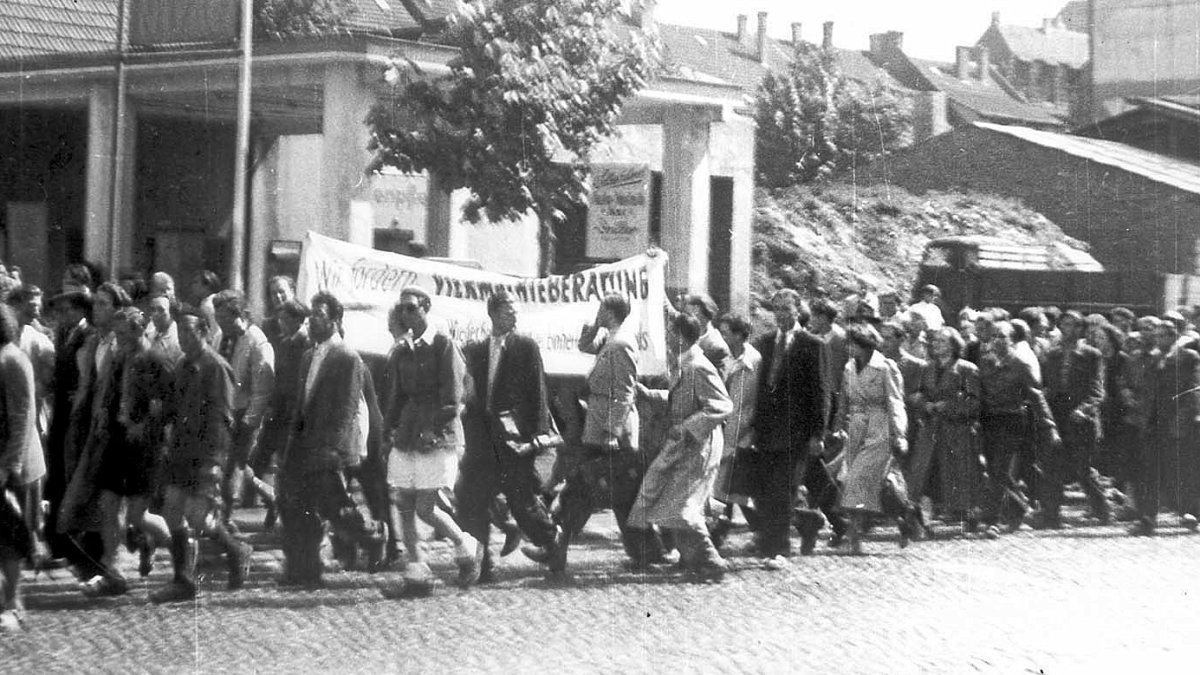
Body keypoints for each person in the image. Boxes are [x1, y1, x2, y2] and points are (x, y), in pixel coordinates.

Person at [276, 292, 387, 588]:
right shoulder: (308, 355)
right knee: (294, 504)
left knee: (334, 507)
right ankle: (303, 568)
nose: (312, 320)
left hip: (326, 446)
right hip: (301, 444)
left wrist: (334, 449)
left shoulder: (347, 357)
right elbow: (301, 402)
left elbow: (347, 407)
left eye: (319, 315)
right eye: (311, 315)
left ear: (336, 320)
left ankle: (374, 533)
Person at [379, 287, 480, 591]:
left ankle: (466, 545)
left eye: (411, 308)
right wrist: (388, 430)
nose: (405, 314)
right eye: (402, 309)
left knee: (425, 507)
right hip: (408, 432)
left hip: (435, 434)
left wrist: (433, 427)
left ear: (425, 308)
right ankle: (417, 570)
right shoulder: (403, 349)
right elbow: (397, 396)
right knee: (404, 503)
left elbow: (453, 398)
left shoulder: (442, 344)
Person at [458, 290, 564, 581]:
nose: (513, 316)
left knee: (522, 501)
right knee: (472, 498)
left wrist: (537, 437)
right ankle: (482, 563)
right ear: (492, 313)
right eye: (507, 311)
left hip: (515, 441)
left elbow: (538, 392)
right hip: (483, 440)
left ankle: (553, 544)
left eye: (515, 312)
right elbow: (470, 396)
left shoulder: (525, 347)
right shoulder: (476, 351)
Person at [150, 308, 252, 603]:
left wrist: (217, 463)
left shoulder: (216, 367)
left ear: (205, 332)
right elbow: (173, 405)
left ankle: (236, 550)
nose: (184, 339)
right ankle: (182, 579)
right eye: (180, 333)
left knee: (199, 518)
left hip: (205, 455)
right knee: (171, 512)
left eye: (190, 333)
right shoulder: (183, 365)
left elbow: (223, 419)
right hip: (181, 452)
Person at [553, 292, 662, 568]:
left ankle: (556, 546)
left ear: (610, 311)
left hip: (612, 432)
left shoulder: (621, 344)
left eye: (601, 309)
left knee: (591, 485)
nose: (598, 312)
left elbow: (625, 393)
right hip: (600, 426)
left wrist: (613, 432)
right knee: (616, 492)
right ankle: (647, 551)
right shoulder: (611, 339)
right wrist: (594, 324)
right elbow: (585, 346)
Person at [628, 313, 733, 580]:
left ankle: (711, 561)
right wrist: (650, 394)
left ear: (679, 336)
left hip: (699, 444)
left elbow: (722, 406)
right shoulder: (684, 363)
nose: (665, 337)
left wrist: (688, 428)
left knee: (683, 504)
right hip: (685, 444)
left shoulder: (698, 365)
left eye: (669, 332)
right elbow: (681, 398)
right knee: (670, 500)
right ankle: (691, 558)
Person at [58, 282, 134, 597]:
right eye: (97, 303)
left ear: (117, 309)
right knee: (91, 501)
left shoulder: (120, 344)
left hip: (112, 431)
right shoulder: (94, 341)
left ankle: (111, 568)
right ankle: (101, 565)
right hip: (89, 426)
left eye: (105, 304)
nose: (97, 309)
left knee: (107, 503)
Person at [750, 289, 835, 566]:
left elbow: (821, 392)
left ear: (798, 310)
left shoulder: (812, 344)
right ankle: (775, 539)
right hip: (766, 430)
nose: (781, 315)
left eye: (787, 309)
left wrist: (817, 434)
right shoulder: (763, 344)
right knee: (763, 490)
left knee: (783, 490)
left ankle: (779, 549)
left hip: (796, 431)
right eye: (776, 309)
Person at [832, 324, 919, 554]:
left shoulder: (885, 367)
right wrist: (838, 425)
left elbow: (895, 401)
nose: (849, 348)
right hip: (856, 429)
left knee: (858, 479)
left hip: (880, 429)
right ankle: (904, 516)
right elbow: (844, 401)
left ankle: (853, 535)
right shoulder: (849, 368)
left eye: (853, 344)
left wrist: (900, 434)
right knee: (870, 483)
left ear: (865, 345)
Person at [106, 307, 174, 578]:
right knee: (110, 505)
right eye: (116, 333)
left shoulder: (154, 358)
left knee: (137, 516)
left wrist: (144, 425)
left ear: (137, 330)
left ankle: (181, 547)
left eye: (123, 333)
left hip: (146, 446)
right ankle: (113, 569)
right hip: (119, 439)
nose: (118, 338)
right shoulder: (122, 356)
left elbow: (168, 400)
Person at [977, 321, 1058, 538]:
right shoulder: (985, 363)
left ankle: (992, 521)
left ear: (1012, 339)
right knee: (994, 470)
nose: (997, 340)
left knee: (1000, 470)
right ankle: (1019, 509)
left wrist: (1049, 425)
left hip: (1012, 420)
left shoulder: (1020, 364)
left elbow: (1036, 395)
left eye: (1002, 336)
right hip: (989, 421)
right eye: (994, 336)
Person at [1037, 310, 1110, 528]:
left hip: (1081, 421)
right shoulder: (1052, 354)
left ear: (1081, 329)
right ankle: (1051, 516)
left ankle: (1103, 511)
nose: (1068, 329)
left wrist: (1084, 409)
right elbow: (1045, 386)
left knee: (1082, 468)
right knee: (1052, 468)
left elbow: (1098, 391)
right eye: (1065, 324)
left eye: (1074, 325)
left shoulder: (1092, 355)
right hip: (1057, 418)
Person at [212, 290, 277, 526]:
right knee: (231, 465)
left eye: (226, 318)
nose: (222, 324)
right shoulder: (220, 337)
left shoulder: (257, 342)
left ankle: (225, 519)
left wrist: (251, 421)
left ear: (239, 314)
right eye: (218, 319)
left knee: (233, 467)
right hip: (223, 412)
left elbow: (262, 389)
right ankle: (271, 497)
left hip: (243, 415)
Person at [0, 304, 46, 631]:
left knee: (11, 537)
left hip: (14, 465)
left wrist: (9, 466)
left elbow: (23, 416)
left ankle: (14, 604)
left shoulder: (13, 359)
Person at [1130, 320, 1200, 535]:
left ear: (1175, 336)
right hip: (1152, 424)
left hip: (1177, 423)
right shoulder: (1151, 358)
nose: (1160, 339)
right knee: (1149, 472)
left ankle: (1191, 512)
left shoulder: (1188, 358)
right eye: (1157, 335)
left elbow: (1194, 389)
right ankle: (1147, 518)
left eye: (1165, 335)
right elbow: (1145, 389)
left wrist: (1184, 417)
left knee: (1181, 471)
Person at [910, 327, 981, 530]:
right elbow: (919, 394)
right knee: (926, 472)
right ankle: (924, 515)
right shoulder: (928, 368)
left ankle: (966, 513)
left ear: (953, 344)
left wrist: (950, 406)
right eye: (935, 341)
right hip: (932, 429)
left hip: (957, 429)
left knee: (959, 473)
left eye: (942, 341)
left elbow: (974, 401)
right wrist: (926, 405)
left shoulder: (967, 369)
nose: (936, 345)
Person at [708, 312, 761, 547]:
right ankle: (718, 536)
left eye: (727, 333)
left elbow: (758, 400)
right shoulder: (719, 357)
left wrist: (748, 430)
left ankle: (718, 537)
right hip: (721, 427)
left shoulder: (756, 361)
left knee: (732, 488)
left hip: (743, 432)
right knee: (726, 487)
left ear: (740, 335)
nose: (722, 337)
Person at [679, 293, 730, 375]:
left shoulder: (717, 345)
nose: (686, 318)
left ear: (697, 311)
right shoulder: (687, 337)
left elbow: (719, 382)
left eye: (688, 313)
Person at [188, 270, 223, 349]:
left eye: (196, 282)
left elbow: (215, 331)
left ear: (207, 286)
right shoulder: (207, 302)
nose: (193, 286)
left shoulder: (208, 305)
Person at [145, 295, 183, 364]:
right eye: (153, 310)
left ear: (171, 314)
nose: (155, 314)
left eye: (161, 310)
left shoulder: (177, 339)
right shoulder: (151, 327)